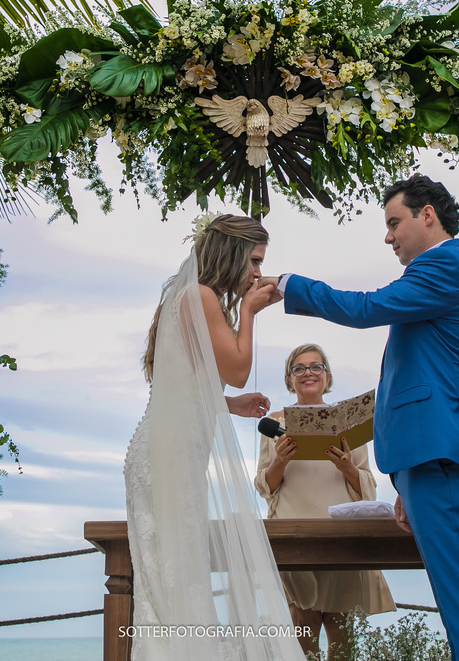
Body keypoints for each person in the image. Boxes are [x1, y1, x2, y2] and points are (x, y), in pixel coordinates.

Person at [263, 174, 459, 661]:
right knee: (457, 596)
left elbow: (366, 308)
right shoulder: (439, 277)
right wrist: (406, 483)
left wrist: (290, 286)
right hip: (430, 458)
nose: (388, 236)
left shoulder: (446, 264)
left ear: (427, 215)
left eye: (395, 223)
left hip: (444, 452)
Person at [124, 214, 304, 661]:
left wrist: (230, 405)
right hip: (169, 457)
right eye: (255, 261)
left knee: (175, 580)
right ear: (233, 254)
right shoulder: (201, 296)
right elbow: (239, 370)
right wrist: (249, 313)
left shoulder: (192, 298)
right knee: (178, 577)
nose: (258, 272)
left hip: (169, 453)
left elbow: (181, 388)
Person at [255, 343, 396, 660]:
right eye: (299, 368)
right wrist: (279, 461)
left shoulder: (348, 423)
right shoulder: (274, 424)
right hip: (294, 536)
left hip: (340, 536)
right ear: (289, 379)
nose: (308, 372)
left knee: (342, 637)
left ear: (327, 376)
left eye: (315, 366)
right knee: (302, 629)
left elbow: (368, 487)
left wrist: (346, 467)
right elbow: (265, 487)